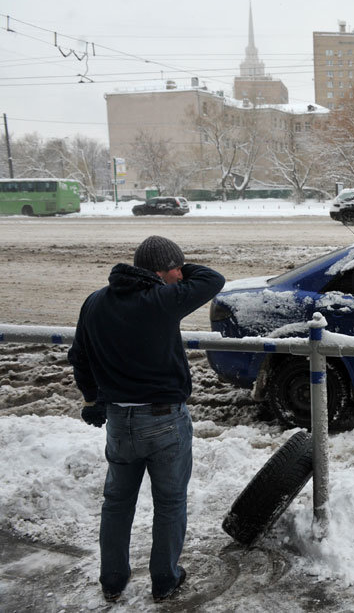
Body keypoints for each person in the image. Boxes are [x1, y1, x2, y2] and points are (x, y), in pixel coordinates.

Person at [68, 236, 225, 603]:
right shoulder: (162, 301)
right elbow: (212, 279)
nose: (180, 275)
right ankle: (165, 580)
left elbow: (81, 357)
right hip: (165, 420)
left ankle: (112, 579)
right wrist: (181, 270)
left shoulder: (95, 302)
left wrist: (92, 399)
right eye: (176, 268)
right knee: (169, 503)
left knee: (116, 503)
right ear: (159, 270)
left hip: (119, 422)